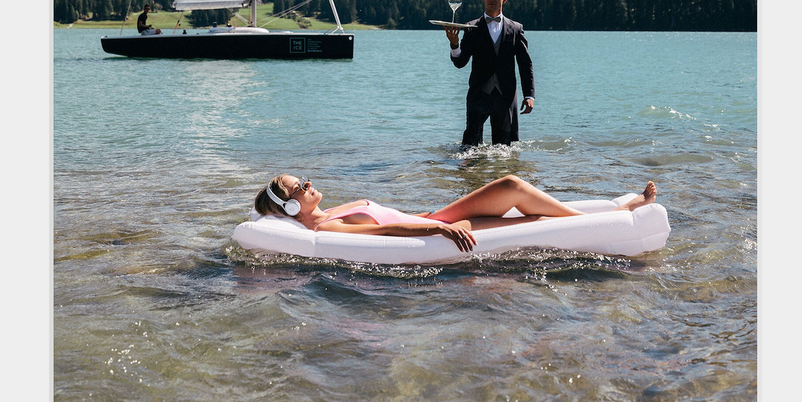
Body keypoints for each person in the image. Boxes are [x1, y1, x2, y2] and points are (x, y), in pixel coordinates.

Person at [253, 173, 657, 252]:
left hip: (436, 215)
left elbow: (391, 215)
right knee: (514, 191)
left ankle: (617, 208)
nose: (307, 183)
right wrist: (440, 232)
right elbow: (385, 232)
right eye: (298, 187)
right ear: (290, 206)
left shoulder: (329, 210)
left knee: (516, 196)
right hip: (439, 227)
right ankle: (620, 212)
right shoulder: (329, 227)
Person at [446, 0, 535, 144]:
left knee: (506, 149)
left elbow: (525, 64)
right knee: (470, 146)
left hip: (506, 95)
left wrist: (529, 95)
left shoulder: (516, 29)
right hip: (478, 94)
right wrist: (454, 44)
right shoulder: (471, 28)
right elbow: (460, 62)